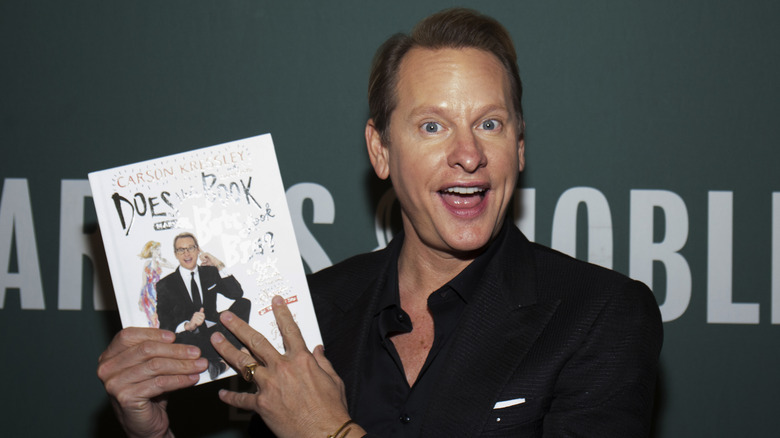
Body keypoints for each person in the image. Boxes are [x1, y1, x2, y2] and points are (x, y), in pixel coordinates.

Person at [97, 8, 663, 437]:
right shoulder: (307, 313)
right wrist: (155, 432)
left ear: (519, 147)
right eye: (433, 127)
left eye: (490, 124)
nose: (468, 154)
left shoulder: (601, 318)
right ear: (381, 149)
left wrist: (331, 433)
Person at [155, 232, 251, 380]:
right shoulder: (165, 284)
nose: (186, 253)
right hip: (194, 336)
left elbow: (236, 293)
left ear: (198, 250)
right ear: (175, 254)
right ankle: (242, 352)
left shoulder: (209, 272)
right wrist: (188, 325)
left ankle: (222, 363)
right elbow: (165, 324)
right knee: (183, 341)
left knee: (244, 303)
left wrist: (218, 264)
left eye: (191, 248)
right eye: (181, 250)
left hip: (215, 326)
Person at [137, 241, 173, 328]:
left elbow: (173, 267)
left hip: (158, 291)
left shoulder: (159, 263)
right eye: (157, 250)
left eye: (159, 250)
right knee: (152, 316)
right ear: (152, 250)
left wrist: (164, 260)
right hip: (148, 293)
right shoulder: (147, 264)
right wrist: (140, 299)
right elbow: (144, 282)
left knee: (159, 314)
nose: (159, 252)